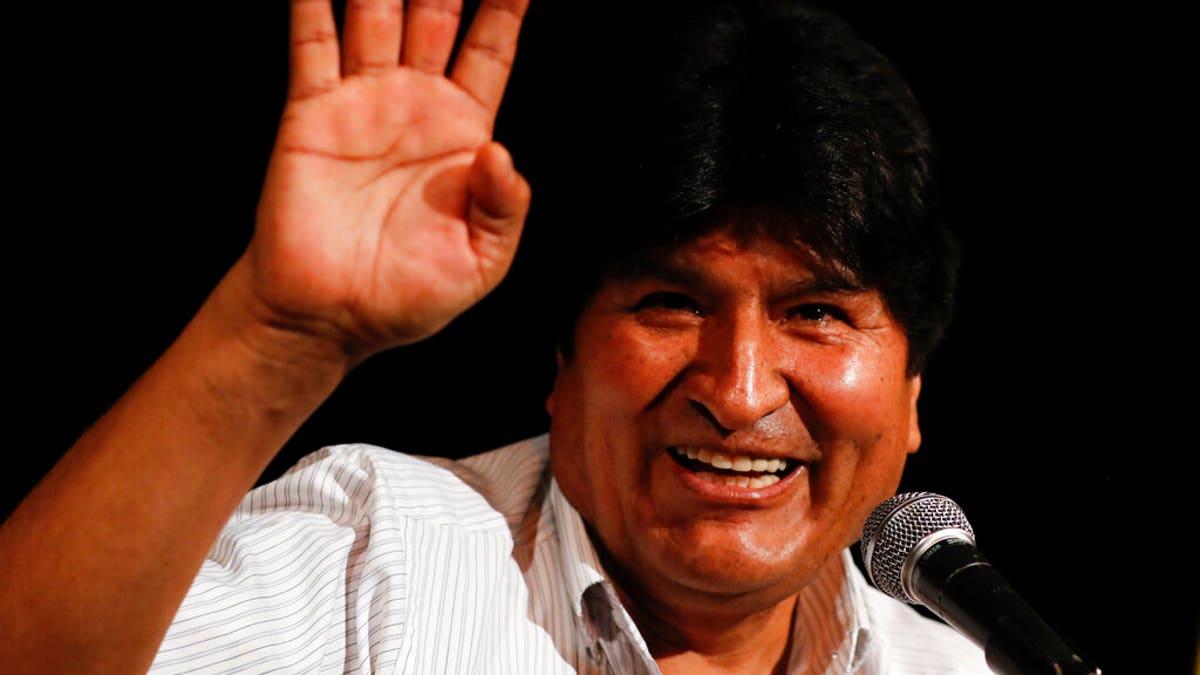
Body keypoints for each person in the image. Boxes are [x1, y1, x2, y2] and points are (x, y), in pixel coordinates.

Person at [0, 0, 991, 673]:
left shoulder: (954, 663)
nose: (737, 393)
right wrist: (276, 332)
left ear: (911, 396)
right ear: (560, 365)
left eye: (816, 313)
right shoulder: (372, 555)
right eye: (669, 304)